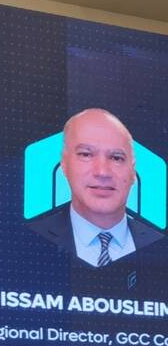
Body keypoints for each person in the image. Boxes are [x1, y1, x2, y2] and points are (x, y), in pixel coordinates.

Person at [27, 108, 163, 266]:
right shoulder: (29, 239)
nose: (102, 172)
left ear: (133, 172)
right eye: (86, 154)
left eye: (116, 158)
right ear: (64, 164)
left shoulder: (158, 244)